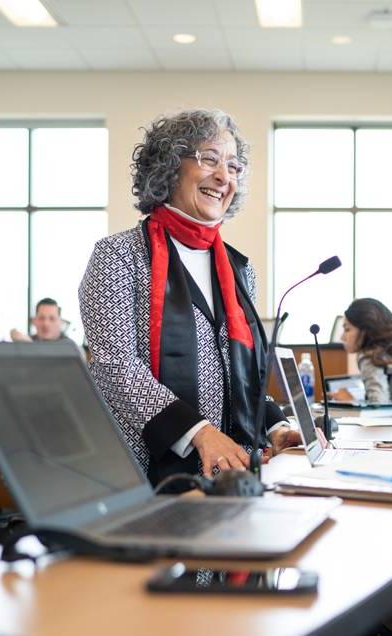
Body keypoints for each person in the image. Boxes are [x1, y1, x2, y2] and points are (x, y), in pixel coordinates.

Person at [79, 109, 300, 486]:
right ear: (168, 167)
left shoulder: (240, 269)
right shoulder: (118, 255)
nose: (223, 176)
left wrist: (278, 428)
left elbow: (242, 378)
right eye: (209, 159)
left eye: (233, 166)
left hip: (233, 476)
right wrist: (199, 433)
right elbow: (116, 369)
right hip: (144, 477)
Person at [330, 298, 392, 404]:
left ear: (365, 330)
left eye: (347, 329)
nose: (342, 337)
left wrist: (351, 401)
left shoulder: (370, 357)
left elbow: (378, 404)